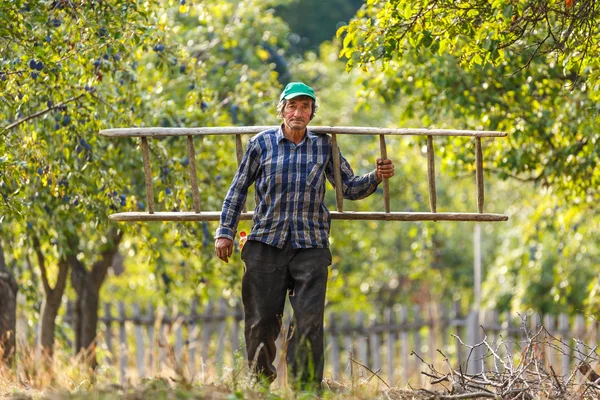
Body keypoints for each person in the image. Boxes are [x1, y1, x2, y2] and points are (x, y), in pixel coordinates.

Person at [214, 82, 395, 389]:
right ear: (282, 110)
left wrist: (376, 176)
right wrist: (225, 232)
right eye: (292, 106)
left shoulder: (324, 146)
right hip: (265, 244)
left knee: (309, 322)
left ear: (312, 113)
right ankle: (259, 386)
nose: (298, 113)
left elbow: (348, 187)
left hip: (310, 246)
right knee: (261, 322)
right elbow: (237, 190)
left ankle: (306, 389)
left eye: (305, 107)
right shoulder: (262, 144)